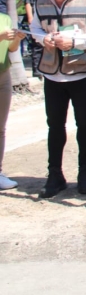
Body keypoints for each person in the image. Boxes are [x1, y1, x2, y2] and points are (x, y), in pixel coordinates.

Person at [30, 0, 86, 198]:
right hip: (53, 74)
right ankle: (55, 175)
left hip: (82, 72)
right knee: (55, 125)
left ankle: (85, 174)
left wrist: (75, 42)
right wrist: (45, 40)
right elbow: (34, 29)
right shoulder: (40, 0)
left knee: (84, 123)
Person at [0, 13, 26, 190]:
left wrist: (16, 39)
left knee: (0, 127)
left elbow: (11, 49)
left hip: (3, 75)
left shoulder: (5, 18)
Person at [24, 0, 46, 80]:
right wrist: (30, 18)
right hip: (37, 20)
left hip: (50, 20)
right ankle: (37, 71)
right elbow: (28, 3)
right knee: (37, 46)